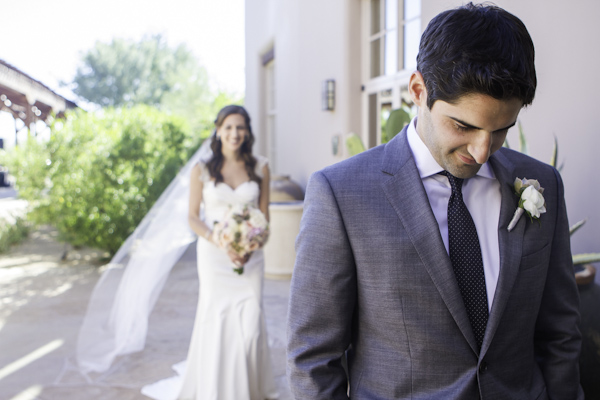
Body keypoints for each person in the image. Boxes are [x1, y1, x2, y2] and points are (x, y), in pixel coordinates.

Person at [287, 3, 583, 399]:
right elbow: (312, 360)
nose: (482, 151)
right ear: (417, 90)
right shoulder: (340, 195)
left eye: (501, 130)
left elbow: (560, 334)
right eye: (463, 125)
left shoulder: (544, 183)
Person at [141, 105, 278, 399]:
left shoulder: (261, 166)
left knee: (251, 323)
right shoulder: (201, 169)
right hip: (214, 256)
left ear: (248, 131)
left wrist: (249, 248)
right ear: (218, 130)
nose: (234, 133)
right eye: (228, 127)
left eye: (240, 127)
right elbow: (192, 216)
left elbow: (264, 218)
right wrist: (220, 241)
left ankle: (250, 388)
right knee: (217, 319)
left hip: (250, 258)